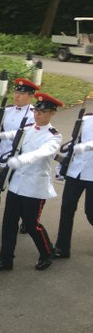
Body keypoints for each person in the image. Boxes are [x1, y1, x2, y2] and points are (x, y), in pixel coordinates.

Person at [0, 92, 63, 273]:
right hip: (16, 184)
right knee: (9, 223)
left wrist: (22, 160)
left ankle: (46, 252)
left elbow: (43, 152)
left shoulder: (54, 136)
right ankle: (5, 260)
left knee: (31, 224)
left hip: (34, 187)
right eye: (36, 111)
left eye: (42, 113)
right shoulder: (27, 128)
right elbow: (12, 143)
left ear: (52, 113)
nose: (37, 115)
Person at [0, 78, 37, 237]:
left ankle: (24, 221)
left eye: (21, 93)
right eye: (16, 92)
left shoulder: (34, 114)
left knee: (17, 195)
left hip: (18, 160)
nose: (17, 96)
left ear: (30, 95)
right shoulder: (6, 111)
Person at [53, 108, 93, 259]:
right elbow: (72, 144)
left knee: (91, 212)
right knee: (67, 209)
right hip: (75, 172)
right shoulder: (85, 120)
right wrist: (62, 165)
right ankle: (62, 248)